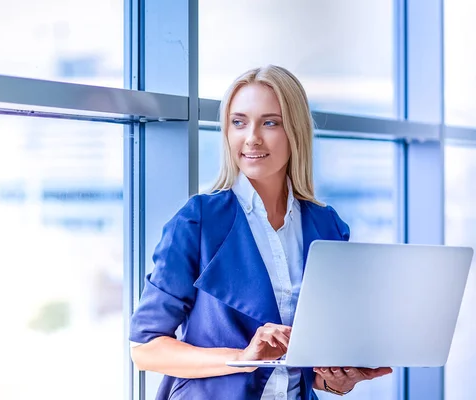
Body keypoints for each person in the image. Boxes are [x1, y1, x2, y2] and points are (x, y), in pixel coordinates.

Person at [129, 65, 392, 400]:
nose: (251, 137)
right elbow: (145, 348)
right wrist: (241, 359)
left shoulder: (326, 226)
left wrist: (332, 379)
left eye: (270, 122)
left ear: (294, 131)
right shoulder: (198, 221)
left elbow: (306, 359)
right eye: (239, 122)